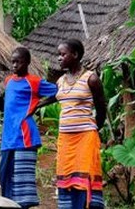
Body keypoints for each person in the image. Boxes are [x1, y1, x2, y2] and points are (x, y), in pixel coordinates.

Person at [0, 46, 58, 208]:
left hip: (25, 136)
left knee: (21, 180)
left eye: (19, 62)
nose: (15, 65)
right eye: (13, 62)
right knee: (4, 175)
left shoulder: (34, 82)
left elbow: (59, 91)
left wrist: (39, 104)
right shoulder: (8, 81)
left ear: (27, 63)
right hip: (8, 137)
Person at [53, 39, 107, 209]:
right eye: (58, 55)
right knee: (67, 177)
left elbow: (101, 108)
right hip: (65, 140)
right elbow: (51, 98)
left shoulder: (91, 79)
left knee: (85, 177)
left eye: (63, 54)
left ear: (75, 55)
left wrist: (93, 129)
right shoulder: (60, 81)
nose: (59, 58)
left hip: (85, 138)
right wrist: (32, 106)